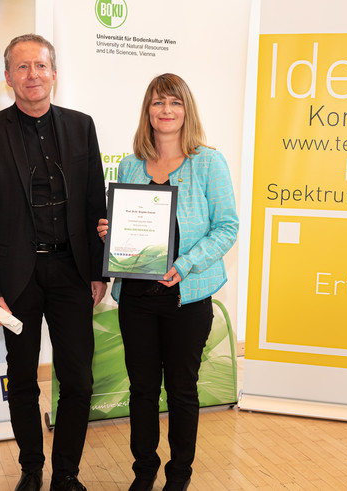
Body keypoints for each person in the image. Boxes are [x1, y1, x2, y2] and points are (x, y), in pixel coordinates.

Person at [0, 34, 107, 491]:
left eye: (40, 66)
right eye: (22, 67)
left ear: (54, 73)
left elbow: (95, 205)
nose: (33, 75)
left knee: (78, 380)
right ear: (8, 77)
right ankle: (31, 468)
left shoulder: (81, 126)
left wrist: (99, 271)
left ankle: (66, 473)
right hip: (16, 279)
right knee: (22, 378)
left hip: (72, 273)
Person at [98, 73, 238, 491]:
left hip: (186, 298)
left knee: (181, 390)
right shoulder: (130, 165)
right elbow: (126, 230)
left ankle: (179, 476)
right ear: (148, 111)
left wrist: (187, 263)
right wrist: (110, 232)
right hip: (136, 298)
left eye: (175, 102)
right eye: (158, 102)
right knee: (142, 389)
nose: (166, 110)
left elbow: (227, 227)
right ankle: (144, 472)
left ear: (186, 110)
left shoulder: (208, 163)